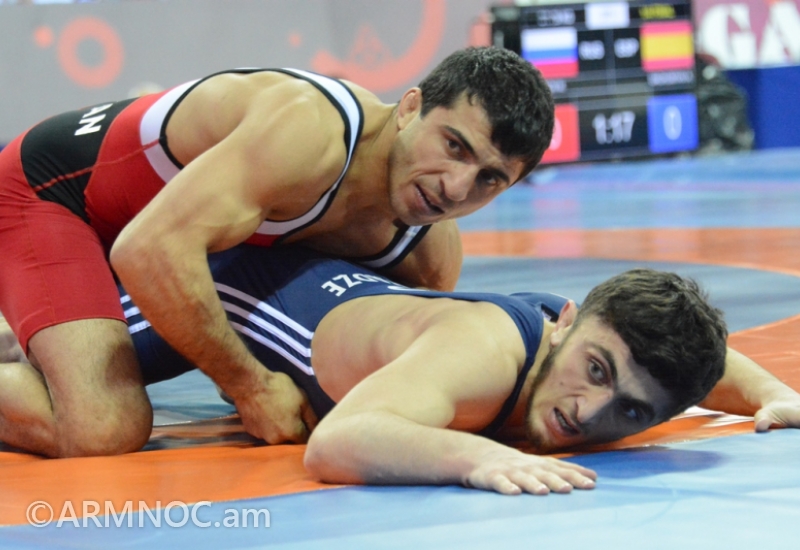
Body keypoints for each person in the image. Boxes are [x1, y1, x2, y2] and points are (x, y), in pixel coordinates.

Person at [0, 47, 555, 456]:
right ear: (411, 107)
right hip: (52, 195)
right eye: (453, 146)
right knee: (102, 426)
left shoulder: (426, 251)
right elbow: (147, 252)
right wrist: (251, 386)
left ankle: (25, 331)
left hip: (170, 234)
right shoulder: (308, 132)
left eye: (489, 179)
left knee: (98, 358)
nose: (455, 188)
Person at [120, 246, 800, 492]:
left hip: (337, 290)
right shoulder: (482, 355)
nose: (588, 413)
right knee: (89, 421)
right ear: (564, 321)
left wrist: (773, 392)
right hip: (232, 290)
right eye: (595, 372)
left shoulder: (600, 344)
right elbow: (336, 443)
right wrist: (477, 457)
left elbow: (702, 364)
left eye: (630, 412)